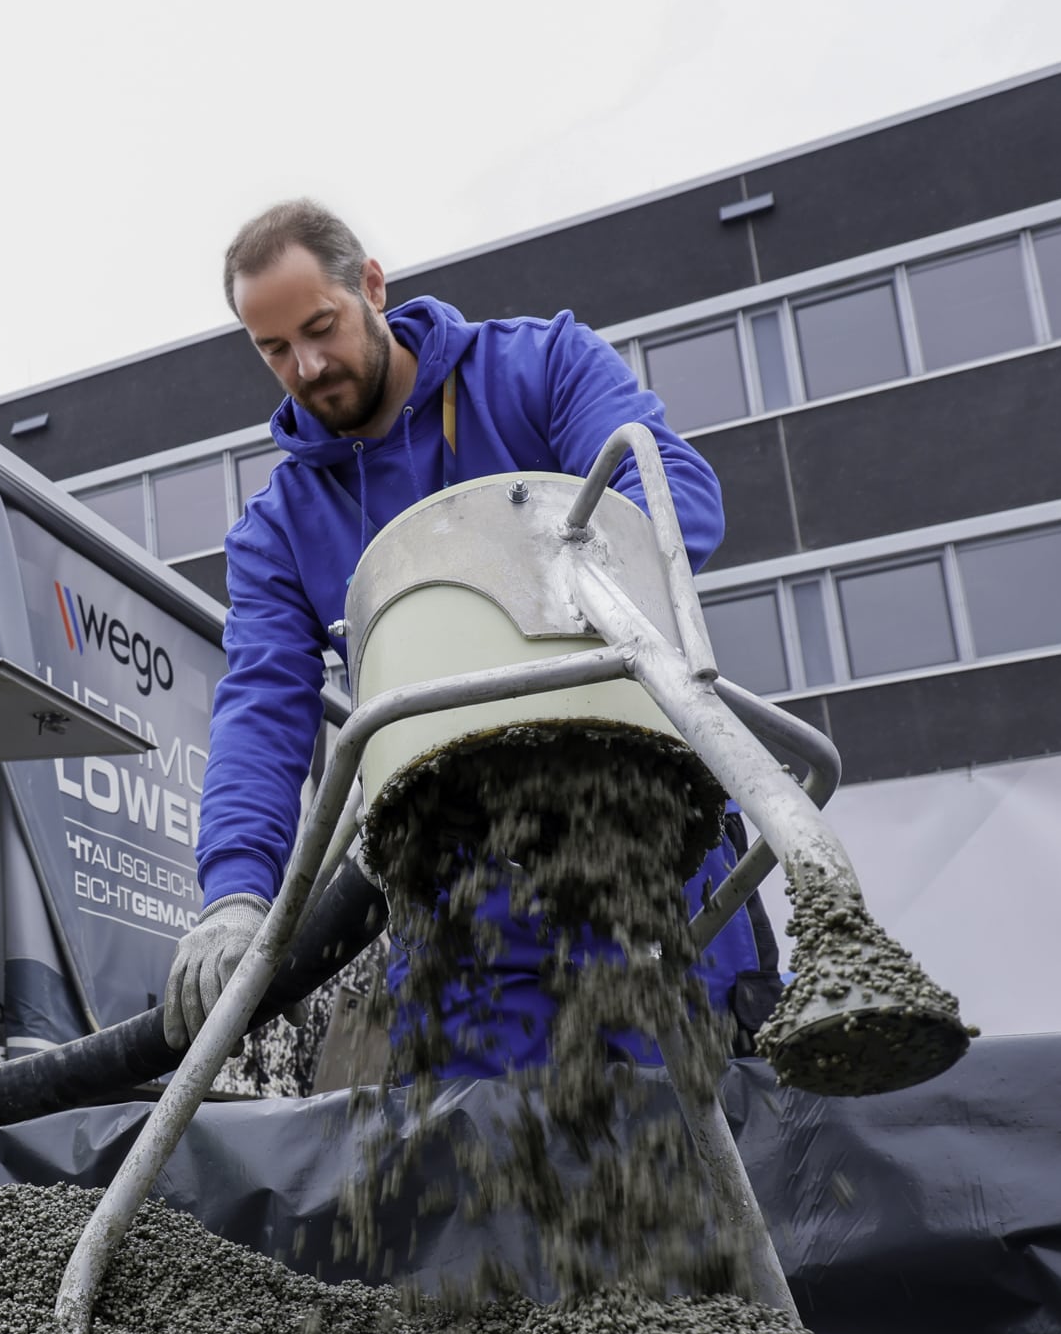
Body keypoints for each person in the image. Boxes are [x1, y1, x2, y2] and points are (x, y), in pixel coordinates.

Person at [162, 200, 766, 1065]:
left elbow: (671, 496)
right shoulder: (280, 529)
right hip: (454, 879)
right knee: (475, 1127)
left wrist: (535, 611)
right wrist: (234, 895)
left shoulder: (537, 369)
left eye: (321, 328)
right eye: (275, 350)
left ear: (372, 286)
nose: (307, 365)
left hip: (636, 825)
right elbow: (260, 710)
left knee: (702, 1098)